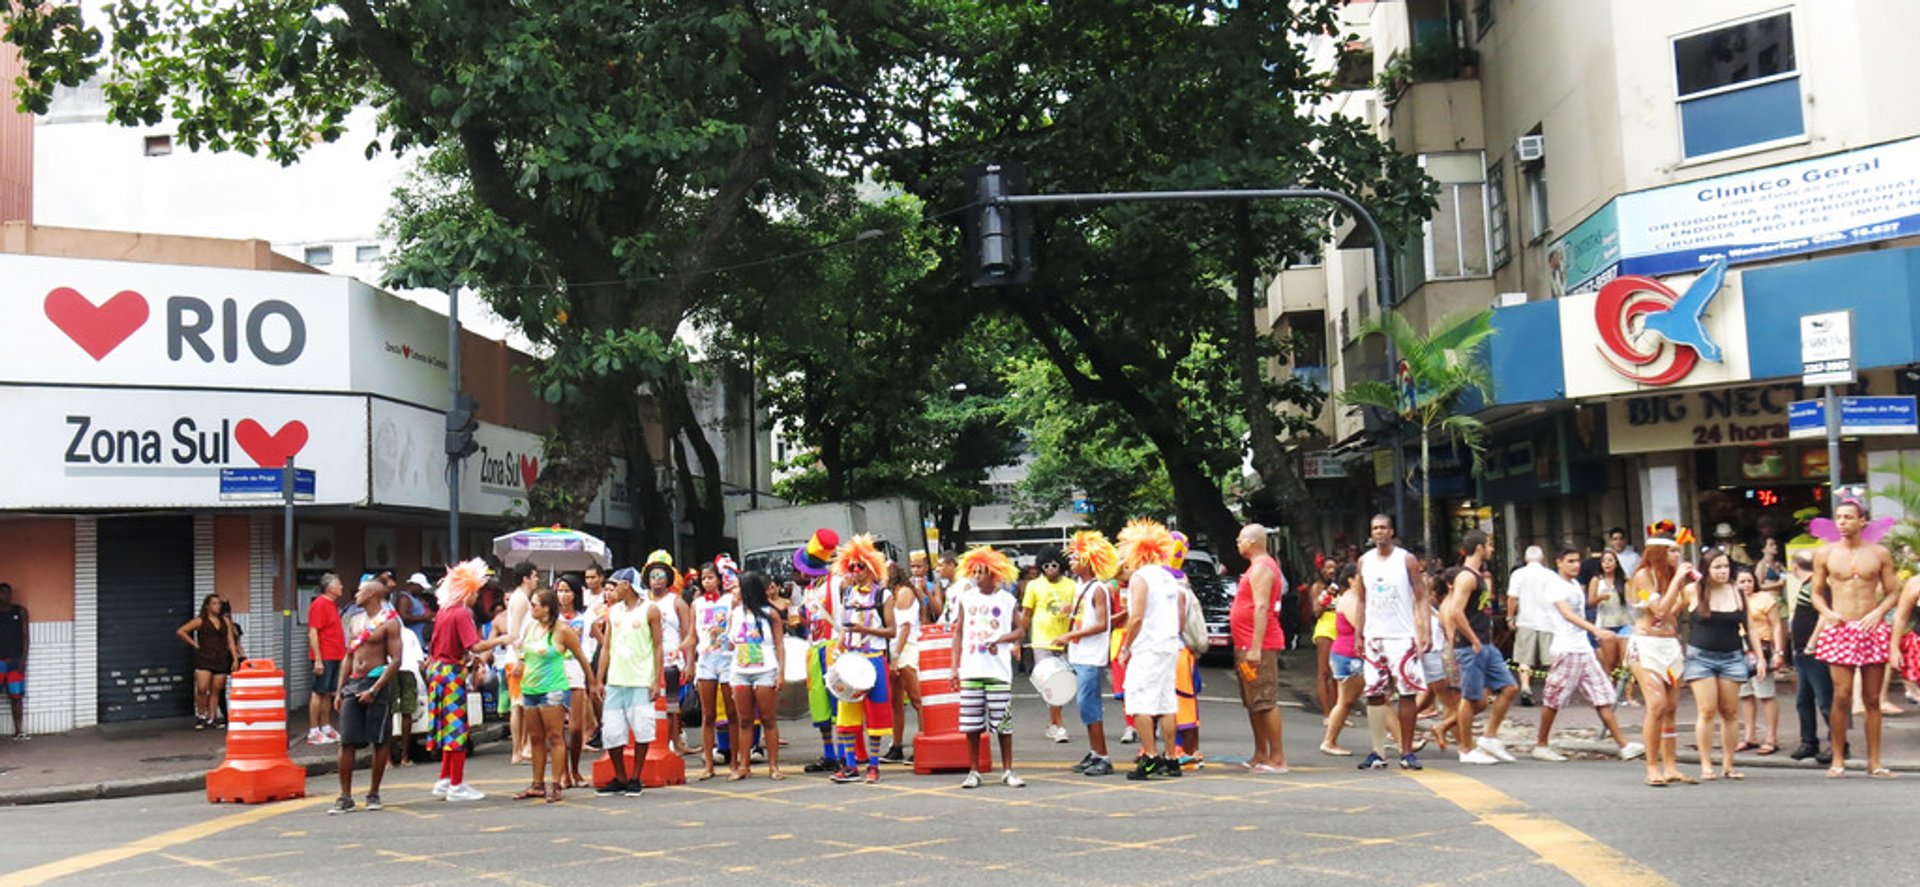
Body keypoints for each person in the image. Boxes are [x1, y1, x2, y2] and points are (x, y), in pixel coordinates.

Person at [1809, 497, 1900, 778]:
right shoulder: (1825, 553)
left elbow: (1894, 591)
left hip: (1871, 628)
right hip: (1840, 627)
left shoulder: (1879, 553)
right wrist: (1828, 612)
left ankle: (1875, 761)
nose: (1843, 523)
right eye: (1839, 517)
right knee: (1842, 695)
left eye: (1849, 517)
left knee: (1872, 698)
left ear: (1862, 521)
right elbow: (1815, 592)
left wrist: (1879, 612)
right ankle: (1838, 758)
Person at [1531, 547, 1645, 763]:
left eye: (1577, 561)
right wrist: (1595, 630)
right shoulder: (1555, 586)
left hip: (1582, 648)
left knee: (1602, 695)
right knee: (1553, 699)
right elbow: (1566, 614)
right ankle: (1541, 744)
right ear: (1559, 563)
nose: (1576, 565)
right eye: (1570, 561)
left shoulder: (1574, 584)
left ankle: (1624, 745)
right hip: (1567, 649)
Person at [1682, 552, 1768, 780]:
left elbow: (1750, 627)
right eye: (1717, 567)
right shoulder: (1694, 590)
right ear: (1706, 569)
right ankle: (1706, 764)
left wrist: (1759, 657)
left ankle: (1728, 764)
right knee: (1707, 709)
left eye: (1726, 567)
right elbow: (1667, 610)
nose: (1723, 571)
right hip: (1701, 656)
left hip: (1731, 656)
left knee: (1730, 711)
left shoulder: (1738, 592)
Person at [426, 560, 505, 802]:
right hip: (451, 673)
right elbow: (476, 644)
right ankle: (456, 784)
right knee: (457, 729)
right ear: (467, 591)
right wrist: (505, 638)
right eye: (476, 592)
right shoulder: (460, 613)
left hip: (438, 671)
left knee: (448, 727)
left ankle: (445, 779)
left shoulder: (443, 611)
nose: (478, 597)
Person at [949, 544, 1028, 788]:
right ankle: (973, 770)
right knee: (971, 725)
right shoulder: (966, 597)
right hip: (972, 668)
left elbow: (1020, 629)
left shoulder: (1006, 599)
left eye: (982, 572)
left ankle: (1008, 770)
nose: (977, 577)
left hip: (998, 670)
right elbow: (958, 631)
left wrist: (1002, 640)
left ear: (994, 574)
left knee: (1003, 724)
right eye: (974, 572)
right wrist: (954, 667)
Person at [1356, 514, 1429, 771]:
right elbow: (1361, 600)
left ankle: (1406, 751)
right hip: (1374, 636)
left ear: (1391, 531)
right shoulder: (1364, 562)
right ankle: (1377, 751)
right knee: (1374, 693)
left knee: (1407, 692)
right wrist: (1359, 633)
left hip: (1402, 635)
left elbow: (1421, 596)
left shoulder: (1405, 559)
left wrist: (1425, 631)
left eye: (1383, 528)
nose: (1379, 532)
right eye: (1375, 528)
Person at [512, 588, 597, 803]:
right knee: (536, 737)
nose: (532, 608)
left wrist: (592, 682)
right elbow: (524, 654)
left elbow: (581, 657)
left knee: (555, 736)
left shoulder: (562, 631)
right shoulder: (531, 628)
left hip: (553, 689)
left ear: (547, 608)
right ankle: (537, 783)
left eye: (535, 605)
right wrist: (519, 665)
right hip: (530, 688)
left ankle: (556, 784)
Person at [1117, 520, 1186, 781]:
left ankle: (1150, 757)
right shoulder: (1168, 576)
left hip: (1148, 647)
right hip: (1169, 644)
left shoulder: (1141, 577)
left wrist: (1126, 647)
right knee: (1166, 702)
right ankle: (1171, 758)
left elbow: (1136, 618)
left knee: (1139, 703)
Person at [1441, 532, 1518, 765]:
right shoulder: (1466, 577)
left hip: (1486, 644)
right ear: (1479, 548)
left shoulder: (1478, 575)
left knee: (1509, 688)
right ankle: (1466, 749)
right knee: (1470, 698)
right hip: (1471, 647)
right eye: (1489, 545)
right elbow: (1455, 611)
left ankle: (1489, 737)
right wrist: (1472, 639)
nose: (1492, 550)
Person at [1626, 523, 1693, 787]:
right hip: (1646, 646)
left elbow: (1670, 614)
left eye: (1679, 551)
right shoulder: (1643, 576)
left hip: (1669, 644)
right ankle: (1652, 767)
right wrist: (1678, 582)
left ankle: (1671, 766)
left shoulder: (1669, 576)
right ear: (1659, 552)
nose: (1678, 556)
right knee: (1656, 705)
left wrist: (1684, 598)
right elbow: (1659, 610)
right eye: (1674, 551)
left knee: (1671, 708)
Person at [328, 579, 403, 814]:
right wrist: (340, 689)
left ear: (371, 594)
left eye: (360, 591)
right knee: (347, 740)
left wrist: (375, 689)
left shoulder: (389, 623)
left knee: (379, 740)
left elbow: (396, 660)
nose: (356, 594)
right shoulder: (355, 621)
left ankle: (373, 792)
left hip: (375, 682)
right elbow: (348, 657)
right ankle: (345, 796)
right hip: (354, 683)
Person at [828, 535, 895, 784]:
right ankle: (850, 766)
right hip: (851, 660)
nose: (855, 571)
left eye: (860, 566)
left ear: (871, 567)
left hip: (874, 659)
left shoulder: (883, 595)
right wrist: (838, 647)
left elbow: (892, 631)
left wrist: (865, 631)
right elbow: (845, 628)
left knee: (875, 716)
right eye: (851, 567)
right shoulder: (848, 596)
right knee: (846, 716)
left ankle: (874, 766)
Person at [595, 566, 664, 796]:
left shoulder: (650, 610)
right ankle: (620, 776)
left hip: (640, 679)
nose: (612, 590)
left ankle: (636, 776)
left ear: (627, 585)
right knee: (612, 732)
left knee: (642, 729)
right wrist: (599, 679)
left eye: (615, 585)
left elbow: (658, 645)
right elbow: (607, 646)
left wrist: (656, 680)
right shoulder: (613, 611)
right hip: (616, 679)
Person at [1059, 530, 1119, 776]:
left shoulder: (1098, 589)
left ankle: (1103, 756)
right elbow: (1086, 618)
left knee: (1089, 704)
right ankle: (1094, 752)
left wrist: (1070, 635)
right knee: (1085, 706)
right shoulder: (1080, 587)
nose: (1070, 560)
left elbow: (1102, 623)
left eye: (1075, 557)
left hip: (1091, 657)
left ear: (1089, 560)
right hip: (1080, 654)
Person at [1232, 523, 1289, 773]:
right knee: (1254, 701)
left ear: (1253, 542)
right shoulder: (1255, 568)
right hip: (1245, 643)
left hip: (1259, 646)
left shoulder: (1263, 568)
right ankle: (1261, 753)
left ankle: (1277, 758)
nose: (1238, 543)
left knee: (1265, 699)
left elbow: (1262, 607)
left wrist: (1255, 647)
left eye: (1241, 540)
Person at [726, 571, 786, 780]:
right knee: (744, 720)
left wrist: (781, 673)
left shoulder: (770, 613)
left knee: (768, 719)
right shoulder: (734, 613)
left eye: (737, 588)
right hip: (740, 671)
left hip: (765, 670)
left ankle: (774, 766)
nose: (734, 591)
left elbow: (779, 644)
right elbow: (730, 640)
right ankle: (744, 765)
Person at [793, 528, 843, 772]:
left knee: (839, 701)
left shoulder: (836, 583)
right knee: (820, 704)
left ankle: (845, 753)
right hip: (814, 649)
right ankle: (829, 754)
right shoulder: (809, 589)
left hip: (833, 646)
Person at [639, 551, 695, 757]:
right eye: (653, 576)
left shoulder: (676, 601)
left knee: (671, 706)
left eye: (661, 576)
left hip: (671, 659)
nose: (657, 581)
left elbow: (687, 633)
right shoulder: (641, 601)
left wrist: (689, 663)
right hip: (647, 659)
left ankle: (675, 742)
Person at [1021, 547, 1077, 744]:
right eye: (1046, 566)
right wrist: (1018, 639)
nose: (1050, 569)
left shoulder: (1072, 586)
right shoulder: (1033, 586)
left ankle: (1053, 724)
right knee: (1052, 681)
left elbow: (1079, 614)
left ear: (1060, 565)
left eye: (1054, 565)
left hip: (1065, 640)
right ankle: (1059, 725)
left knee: (1061, 684)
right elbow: (1026, 614)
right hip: (1042, 641)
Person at [1785, 550, 1833, 763]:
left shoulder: (1817, 585)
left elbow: (1824, 614)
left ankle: (1837, 742)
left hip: (1813, 651)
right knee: (1804, 699)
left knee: (1825, 699)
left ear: (1795, 567)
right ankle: (1809, 741)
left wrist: (1813, 642)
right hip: (1804, 651)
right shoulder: (1813, 584)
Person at [691, 560, 736, 781]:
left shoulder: (730, 601)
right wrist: (688, 659)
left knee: (731, 712)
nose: (707, 582)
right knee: (708, 714)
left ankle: (735, 762)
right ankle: (709, 764)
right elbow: (692, 635)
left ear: (719, 579)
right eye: (704, 578)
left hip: (727, 657)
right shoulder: (697, 604)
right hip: (706, 659)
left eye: (711, 577)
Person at [1737, 565, 1787, 756]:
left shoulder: (1765, 599)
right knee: (1745, 694)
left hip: (1762, 649)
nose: (1746, 585)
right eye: (1742, 581)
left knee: (1765, 693)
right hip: (1739, 650)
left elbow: (1776, 626)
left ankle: (1771, 737)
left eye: (1749, 581)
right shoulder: (1733, 601)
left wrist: (1778, 651)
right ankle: (1750, 736)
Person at [1318, 564, 1365, 757]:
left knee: (1374, 699)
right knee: (1344, 698)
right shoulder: (1346, 598)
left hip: (1346, 648)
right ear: (1350, 579)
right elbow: (1361, 626)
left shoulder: (1355, 598)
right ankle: (1329, 735)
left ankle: (1399, 739)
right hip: (1343, 648)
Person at [554, 576, 596, 788]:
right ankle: (563, 774)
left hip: (577, 670)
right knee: (557, 727)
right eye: (560, 591)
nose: (563, 595)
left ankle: (576, 769)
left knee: (576, 728)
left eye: (567, 591)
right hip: (554, 673)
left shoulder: (586, 617)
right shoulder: (550, 618)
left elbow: (602, 640)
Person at [177, 593, 241, 729]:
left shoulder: (225, 621)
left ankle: (212, 718)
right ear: (207, 606)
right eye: (214, 603)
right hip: (204, 658)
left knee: (216, 690)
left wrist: (235, 659)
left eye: (219, 604)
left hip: (221, 658)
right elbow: (181, 631)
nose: (217, 606)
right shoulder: (200, 621)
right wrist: (194, 644)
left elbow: (230, 640)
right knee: (202, 688)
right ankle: (201, 715)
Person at [1506, 547, 1556, 707]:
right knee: (1549, 661)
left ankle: (1526, 687)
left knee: (1524, 659)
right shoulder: (1550, 575)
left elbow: (1512, 598)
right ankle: (1550, 692)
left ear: (1526, 559)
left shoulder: (1518, 574)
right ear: (1542, 558)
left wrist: (1510, 616)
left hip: (1526, 620)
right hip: (1548, 622)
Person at [883, 562, 922, 764]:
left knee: (917, 699)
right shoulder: (891, 594)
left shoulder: (905, 592)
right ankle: (896, 746)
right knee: (896, 702)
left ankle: (923, 745)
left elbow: (905, 628)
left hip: (906, 649)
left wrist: (896, 657)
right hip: (894, 649)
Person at [501, 562, 538, 765]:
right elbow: (515, 632)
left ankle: (523, 747)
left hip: (521, 656)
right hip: (517, 658)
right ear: (526, 578)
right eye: (534, 576)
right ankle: (517, 750)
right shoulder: (520, 599)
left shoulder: (522, 598)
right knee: (518, 705)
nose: (536, 579)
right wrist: (519, 657)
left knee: (524, 705)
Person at [1588, 549, 1634, 707]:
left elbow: (1636, 596)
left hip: (1624, 622)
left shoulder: (1624, 580)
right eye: (1604, 561)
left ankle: (1629, 696)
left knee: (1626, 662)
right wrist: (1599, 598)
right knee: (1610, 663)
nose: (1607, 563)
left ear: (1616, 563)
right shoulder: (1597, 580)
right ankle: (1611, 694)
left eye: (1610, 560)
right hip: (1605, 624)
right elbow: (1590, 602)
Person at [306, 573, 346, 746]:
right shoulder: (319, 604)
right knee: (318, 691)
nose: (342, 587)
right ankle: (314, 730)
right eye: (339, 584)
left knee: (328, 693)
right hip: (325, 655)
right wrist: (318, 659)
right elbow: (313, 631)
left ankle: (325, 726)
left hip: (335, 654)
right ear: (330, 588)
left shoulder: (331, 605)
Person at [1311, 559, 1340, 718]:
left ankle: (1337, 714)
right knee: (1324, 672)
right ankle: (1326, 713)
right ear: (1321, 570)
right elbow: (1316, 612)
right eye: (1328, 567)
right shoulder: (1318, 588)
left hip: (1340, 629)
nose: (1331, 570)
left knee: (1337, 674)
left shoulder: (1340, 587)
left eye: (1334, 567)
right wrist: (1328, 596)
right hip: (1325, 629)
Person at [0, 583, 25, 741]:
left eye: (8, 593)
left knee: (16, 697)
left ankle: (19, 731)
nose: (5, 596)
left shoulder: (20, 611)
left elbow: (25, 637)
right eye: (2, 593)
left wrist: (23, 660)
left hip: (15, 661)